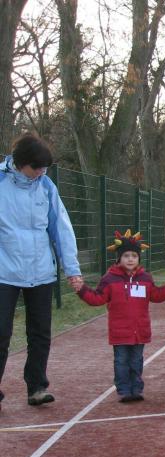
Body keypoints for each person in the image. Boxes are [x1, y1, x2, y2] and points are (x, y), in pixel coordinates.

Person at [0, 133, 83, 409]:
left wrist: (71, 269)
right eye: (36, 168)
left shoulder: (46, 186)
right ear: (20, 163)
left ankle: (37, 387)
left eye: (44, 168)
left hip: (41, 271)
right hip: (4, 272)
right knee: (1, 332)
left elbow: (61, 228)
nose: (41, 172)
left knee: (40, 333)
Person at [75, 230, 165, 402]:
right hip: (119, 332)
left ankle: (136, 389)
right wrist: (82, 290)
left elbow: (156, 295)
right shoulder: (109, 279)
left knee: (136, 361)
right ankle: (124, 390)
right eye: (126, 255)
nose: (130, 259)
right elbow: (97, 298)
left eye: (134, 256)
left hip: (139, 331)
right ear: (119, 258)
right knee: (121, 361)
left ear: (139, 258)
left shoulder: (145, 278)